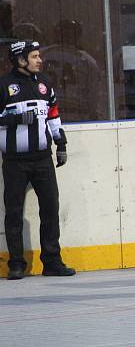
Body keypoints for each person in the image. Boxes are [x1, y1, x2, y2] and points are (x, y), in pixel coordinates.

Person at [1, 40, 75, 279]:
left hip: (43, 159)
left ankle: (52, 262)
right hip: (14, 161)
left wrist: (60, 143)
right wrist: (16, 118)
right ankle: (16, 264)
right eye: (34, 56)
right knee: (14, 212)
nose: (39, 60)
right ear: (21, 60)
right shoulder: (3, 85)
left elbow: (53, 114)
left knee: (51, 209)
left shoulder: (44, 82)